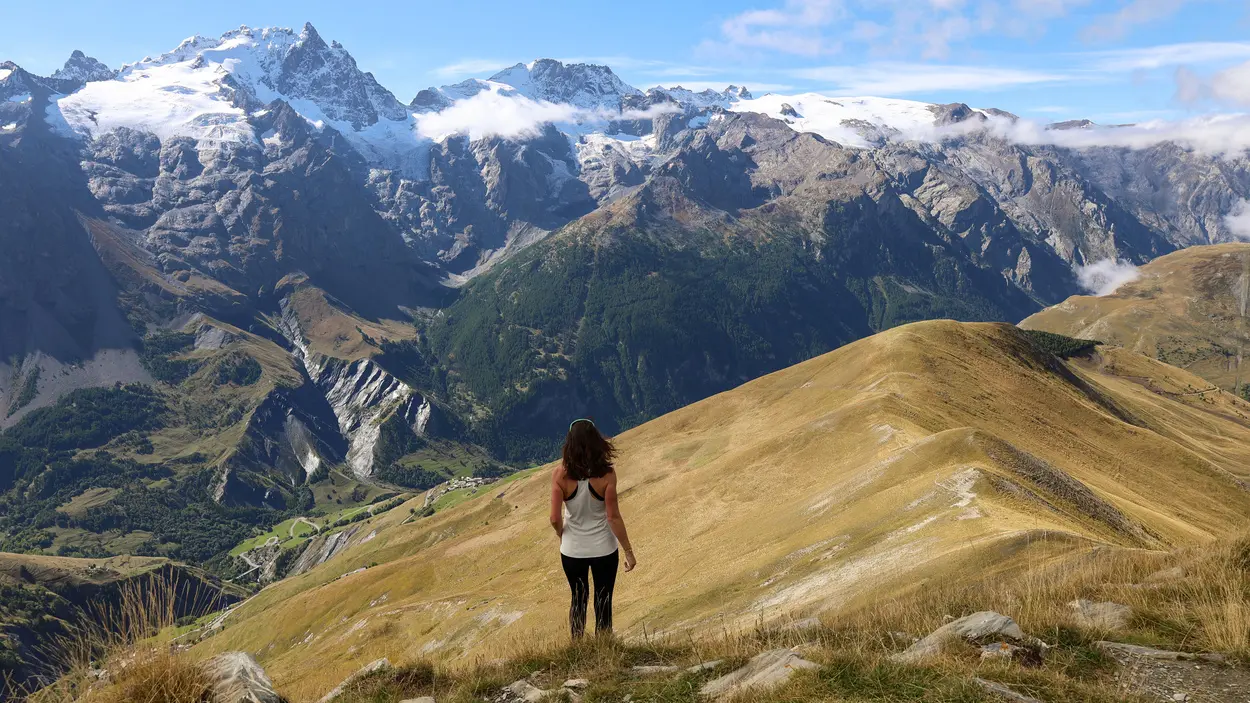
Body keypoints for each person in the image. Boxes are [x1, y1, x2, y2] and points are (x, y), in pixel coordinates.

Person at [549, 418, 636, 639]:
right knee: (603, 600)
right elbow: (613, 517)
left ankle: (577, 648)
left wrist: (562, 534)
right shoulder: (607, 474)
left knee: (578, 599)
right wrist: (628, 551)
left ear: (569, 443)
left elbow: (553, 517)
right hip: (604, 549)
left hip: (572, 550)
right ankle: (604, 649)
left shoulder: (560, 474)